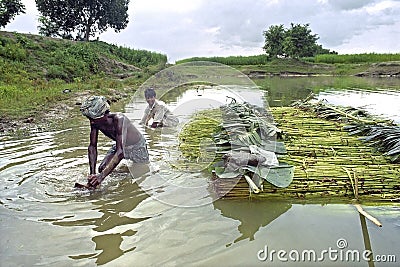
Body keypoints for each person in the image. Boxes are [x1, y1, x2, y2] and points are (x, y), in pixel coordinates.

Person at [80, 95, 149, 189]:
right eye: (90, 119)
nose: (91, 122)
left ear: (103, 115)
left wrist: (101, 177)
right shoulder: (95, 122)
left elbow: (120, 152)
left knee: (140, 170)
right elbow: (92, 147)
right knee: (102, 169)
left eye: (92, 119)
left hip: (137, 146)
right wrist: (93, 174)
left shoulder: (119, 119)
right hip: (119, 145)